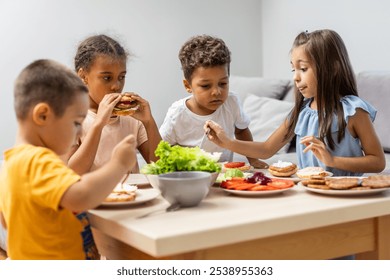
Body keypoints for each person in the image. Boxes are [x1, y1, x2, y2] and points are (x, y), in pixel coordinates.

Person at [0, 59, 137, 259]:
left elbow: (5, 221)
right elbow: (81, 196)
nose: (80, 130)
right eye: (76, 122)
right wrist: (119, 164)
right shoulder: (37, 160)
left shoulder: (10, 165)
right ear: (43, 115)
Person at [205, 29, 385, 177]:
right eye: (293, 68)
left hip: (346, 193)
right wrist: (227, 142)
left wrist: (332, 160)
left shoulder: (353, 111)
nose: (295, 77)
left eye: (303, 68)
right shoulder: (301, 112)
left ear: (333, 68)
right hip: (308, 191)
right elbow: (267, 149)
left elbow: (378, 161)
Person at [159, 34, 268, 168]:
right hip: (191, 174)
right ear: (188, 86)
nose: (217, 92)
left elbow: (241, 131)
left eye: (223, 83)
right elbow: (163, 146)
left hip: (224, 173)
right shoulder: (177, 113)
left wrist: (253, 160)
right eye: (205, 86)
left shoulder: (231, 102)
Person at [67, 34, 161, 175]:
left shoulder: (132, 118)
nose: (116, 86)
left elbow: (160, 167)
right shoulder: (72, 119)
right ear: (83, 76)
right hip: (94, 196)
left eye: (121, 77)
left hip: (132, 195)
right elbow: (73, 172)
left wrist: (149, 123)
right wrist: (99, 124)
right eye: (107, 78)